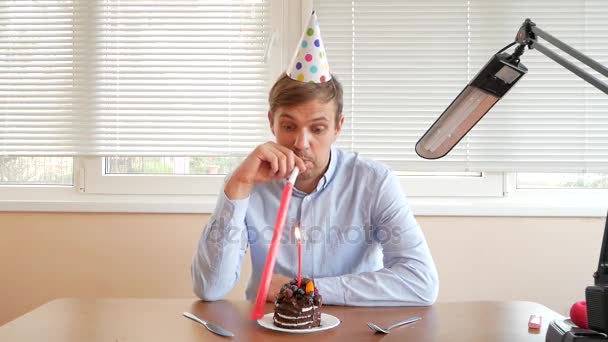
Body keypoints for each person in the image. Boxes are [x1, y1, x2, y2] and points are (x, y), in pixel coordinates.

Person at [191, 12, 438, 306]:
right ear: (272, 123)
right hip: (270, 329)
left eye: (317, 128)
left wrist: (305, 288)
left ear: (338, 127)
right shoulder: (249, 181)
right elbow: (209, 289)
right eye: (289, 126)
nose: (301, 143)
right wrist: (238, 187)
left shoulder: (374, 182)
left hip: (351, 329)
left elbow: (421, 283)